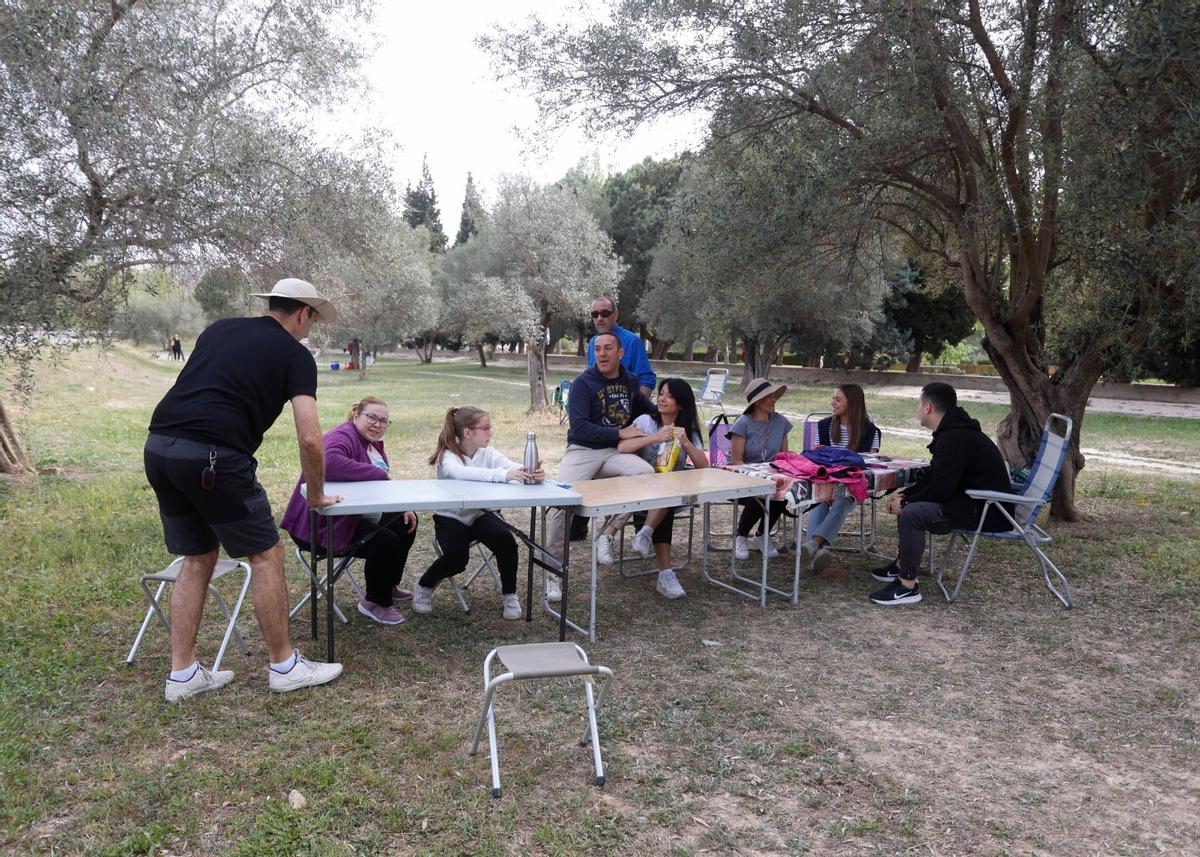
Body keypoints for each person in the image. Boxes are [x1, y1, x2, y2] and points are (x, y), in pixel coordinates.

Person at [144, 277, 343, 701]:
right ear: (303, 312)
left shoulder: (220, 329)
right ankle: (285, 666)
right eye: (313, 319)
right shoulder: (296, 356)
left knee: (196, 557)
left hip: (160, 447)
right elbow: (310, 438)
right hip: (213, 458)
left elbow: (203, 387)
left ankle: (182, 676)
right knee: (267, 554)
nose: (312, 328)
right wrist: (317, 493)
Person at [869, 382, 1013, 606]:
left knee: (912, 512)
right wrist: (906, 494)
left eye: (919, 404)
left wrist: (908, 501)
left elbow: (941, 488)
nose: (918, 409)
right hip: (972, 502)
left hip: (988, 510)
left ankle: (908, 586)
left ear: (928, 408)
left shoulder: (955, 438)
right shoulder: (952, 432)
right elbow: (935, 477)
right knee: (910, 505)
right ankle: (901, 565)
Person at [280, 396, 417, 626]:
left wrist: (400, 505)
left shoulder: (368, 443)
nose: (377, 425)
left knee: (405, 523)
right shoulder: (343, 435)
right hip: (320, 525)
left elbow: (370, 486)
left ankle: (387, 586)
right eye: (372, 417)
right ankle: (374, 603)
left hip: (346, 515)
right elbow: (329, 463)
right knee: (385, 541)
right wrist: (380, 474)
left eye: (384, 421)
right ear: (356, 415)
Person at [545, 330, 657, 600]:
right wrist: (620, 433)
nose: (602, 354)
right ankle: (552, 574)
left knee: (645, 474)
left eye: (608, 348)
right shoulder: (584, 383)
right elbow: (580, 428)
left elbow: (648, 409)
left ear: (621, 354)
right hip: (583, 451)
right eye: (598, 349)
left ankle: (607, 533)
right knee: (560, 503)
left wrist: (677, 416)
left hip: (614, 453)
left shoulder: (630, 381)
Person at [415, 406, 543, 619]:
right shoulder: (447, 457)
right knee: (457, 559)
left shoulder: (488, 453)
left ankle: (510, 594)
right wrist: (504, 475)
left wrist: (531, 472)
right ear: (468, 432)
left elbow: (511, 467)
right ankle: (425, 585)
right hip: (451, 517)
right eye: (486, 428)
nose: (491, 432)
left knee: (506, 542)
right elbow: (462, 473)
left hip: (481, 514)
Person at [602, 378, 707, 599]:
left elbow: (703, 466)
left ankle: (646, 534)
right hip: (639, 488)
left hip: (669, 494)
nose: (661, 398)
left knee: (668, 491)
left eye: (668, 395)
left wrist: (686, 442)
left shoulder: (688, 430)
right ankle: (665, 572)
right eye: (661, 394)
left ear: (681, 403)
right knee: (667, 494)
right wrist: (655, 437)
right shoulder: (645, 421)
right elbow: (623, 446)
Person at [798, 384, 882, 573]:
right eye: (833, 398)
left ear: (852, 403)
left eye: (837, 399)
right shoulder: (824, 425)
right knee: (819, 503)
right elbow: (819, 460)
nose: (832, 403)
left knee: (841, 502)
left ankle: (814, 543)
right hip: (827, 483)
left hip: (853, 486)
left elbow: (868, 464)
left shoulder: (871, 431)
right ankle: (820, 551)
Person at [729, 378, 793, 560]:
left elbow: (783, 458)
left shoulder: (781, 423)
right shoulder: (743, 424)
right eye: (769, 397)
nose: (774, 400)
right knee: (762, 490)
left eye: (775, 396)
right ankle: (740, 536)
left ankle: (762, 536)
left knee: (782, 490)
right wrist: (760, 476)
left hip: (771, 478)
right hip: (741, 479)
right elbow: (736, 463)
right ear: (757, 401)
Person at [585, 294, 656, 397]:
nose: (599, 318)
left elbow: (647, 380)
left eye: (604, 313)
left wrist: (634, 408)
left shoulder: (632, 342)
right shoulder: (593, 343)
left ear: (615, 315)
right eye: (595, 314)